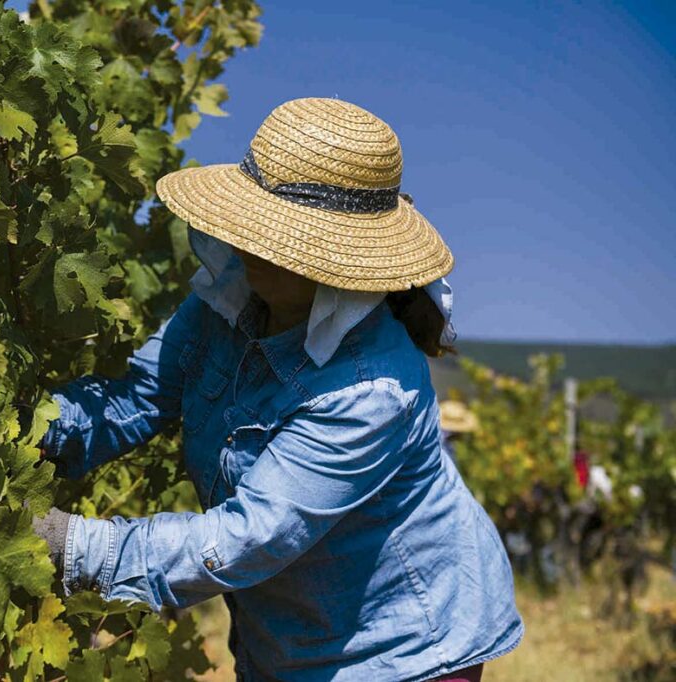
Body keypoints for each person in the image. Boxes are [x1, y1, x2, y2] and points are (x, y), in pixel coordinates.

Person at [33, 98, 522, 681]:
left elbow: (249, 537)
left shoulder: (372, 389)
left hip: (405, 652)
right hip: (289, 640)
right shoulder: (228, 298)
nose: (251, 242)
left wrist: (74, 545)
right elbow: (135, 396)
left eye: (276, 230)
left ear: (339, 253)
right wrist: (23, 432)